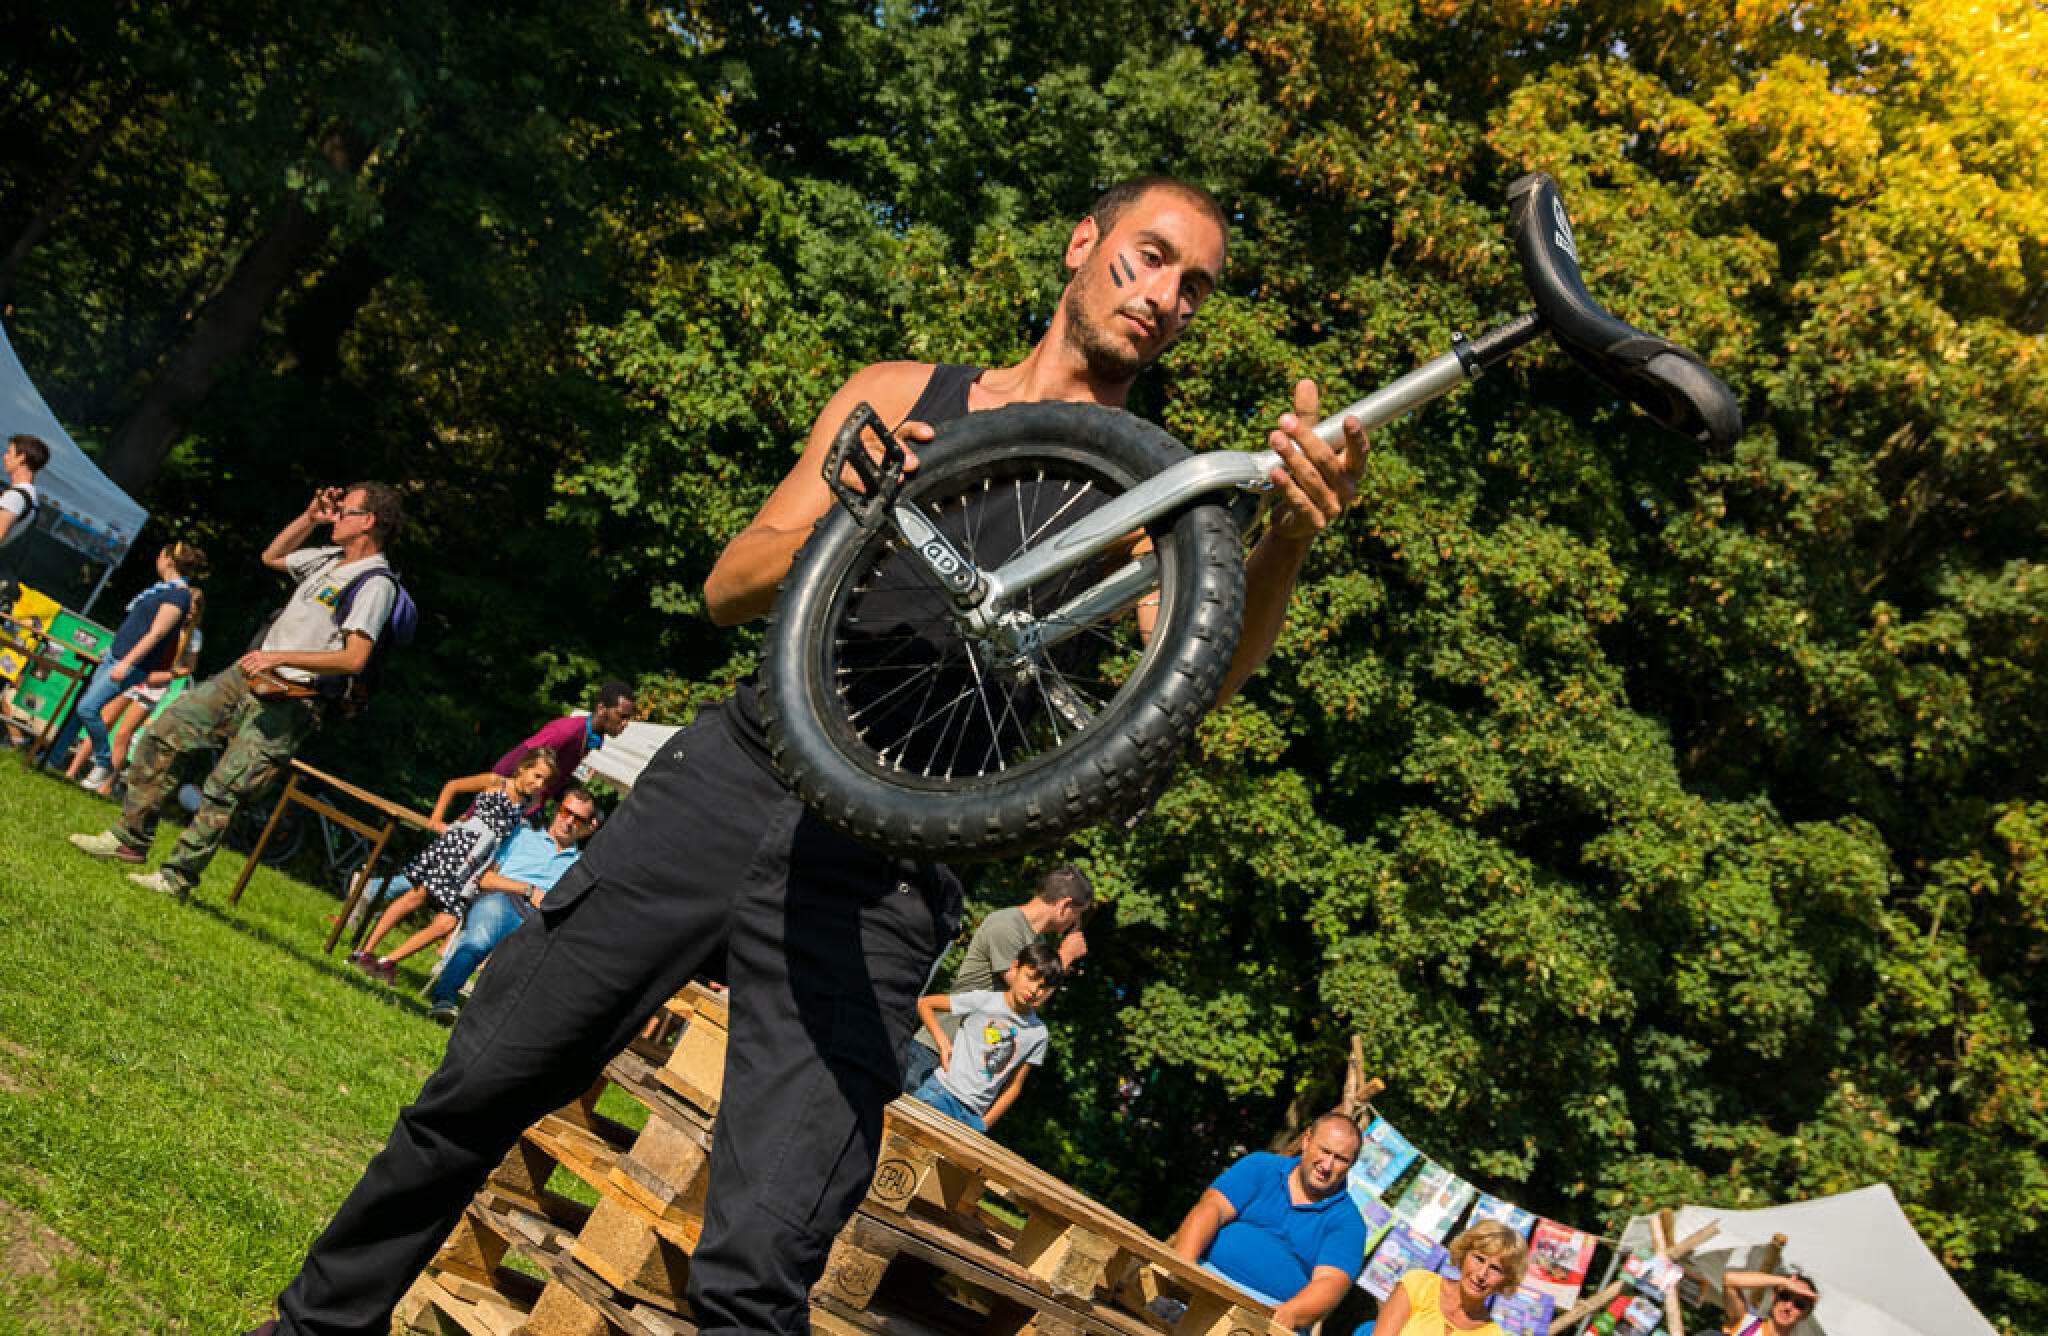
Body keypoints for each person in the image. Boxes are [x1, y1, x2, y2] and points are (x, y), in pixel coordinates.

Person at [245, 175, 1366, 1336]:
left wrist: (1284, 538)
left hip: (890, 864)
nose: (1167, 295)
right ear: (1083, 243)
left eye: (1195, 286)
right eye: (1150, 255)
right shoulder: (900, 395)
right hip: (731, 778)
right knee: (477, 1088)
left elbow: (1192, 679)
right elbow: (727, 584)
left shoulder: (1145, 493)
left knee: (765, 1257)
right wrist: (854, 513)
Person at [68, 482, 404, 902]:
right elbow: (272, 557)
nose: (335, 517)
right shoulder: (328, 558)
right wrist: (308, 518)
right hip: (247, 674)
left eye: (345, 511)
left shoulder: (375, 583)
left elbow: (354, 658)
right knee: (163, 732)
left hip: (292, 698)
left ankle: (176, 877)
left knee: (227, 787)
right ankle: (129, 838)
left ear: (368, 521)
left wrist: (280, 657)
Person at [346, 748, 560, 985]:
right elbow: (453, 786)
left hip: (478, 862)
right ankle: (364, 952)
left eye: (544, 781)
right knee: (417, 897)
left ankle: (387, 961)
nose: (539, 784)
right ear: (522, 768)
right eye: (537, 776)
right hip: (459, 847)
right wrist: (436, 820)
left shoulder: (527, 803)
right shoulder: (495, 782)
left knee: (448, 922)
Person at [902, 864, 1094, 1093]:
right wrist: (1065, 957)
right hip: (936, 1050)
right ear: (1064, 905)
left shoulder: (1037, 944)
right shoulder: (1007, 925)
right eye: (1078, 914)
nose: (1077, 924)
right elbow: (1024, 995)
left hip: (965, 1066)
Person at [1171, 1113, 1368, 1332]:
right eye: (1324, 1151)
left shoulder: (1349, 1223)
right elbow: (1211, 1208)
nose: (1328, 1165)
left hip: (1269, 1313)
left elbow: (1331, 1282)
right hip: (1206, 1278)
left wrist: (1287, 1313)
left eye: (1341, 1159)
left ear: (1351, 1165)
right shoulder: (1260, 1167)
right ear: (1306, 1140)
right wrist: (1184, 1267)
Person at [422, 784, 601, 1024]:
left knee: (544, 961)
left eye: (577, 819)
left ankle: (497, 1022)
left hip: (541, 919)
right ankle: (444, 998)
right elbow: (485, 879)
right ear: (557, 810)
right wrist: (528, 890)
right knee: (480, 939)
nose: (568, 821)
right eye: (565, 812)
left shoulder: (581, 866)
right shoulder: (522, 836)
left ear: (588, 827)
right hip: (502, 898)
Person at [47, 540, 209, 791]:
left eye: (160, 554)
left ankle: (103, 762)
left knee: (88, 709)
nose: (157, 559)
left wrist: (127, 663)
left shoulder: (178, 596)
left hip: (132, 664)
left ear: (168, 559)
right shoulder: (160, 590)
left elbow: (156, 634)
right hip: (115, 655)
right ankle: (52, 759)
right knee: (81, 709)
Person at [910, 941, 1062, 1133]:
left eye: (1043, 987)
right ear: (1015, 967)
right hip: (941, 1094)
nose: (1034, 990)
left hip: (973, 1117)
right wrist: (943, 1042)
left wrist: (984, 1123)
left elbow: (1014, 1086)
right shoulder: (985, 1000)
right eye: (1030, 978)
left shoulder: (1038, 1034)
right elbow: (925, 1004)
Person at [490, 681, 635, 813]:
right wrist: (488, 798)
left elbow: (555, 780)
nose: (626, 723)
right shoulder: (566, 731)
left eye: (628, 718)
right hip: (501, 802)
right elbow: (514, 762)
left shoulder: (591, 738)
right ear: (601, 708)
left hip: (524, 808)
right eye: (621, 716)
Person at [1371, 1219, 1530, 1336]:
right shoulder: (1418, 1285)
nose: (1482, 1274)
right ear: (1463, 1254)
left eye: (1495, 1268)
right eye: (1479, 1259)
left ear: (1506, 1280)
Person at [1720, 1267, 1819, 1335]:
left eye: (1799, 1304)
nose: (1788, 1307)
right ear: (1774, 1296)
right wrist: (1783, 1281)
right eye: (1784, 1296)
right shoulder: (1747, 1324)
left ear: (1806, 1314)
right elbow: (1729, 1280)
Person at [0, 433, 49, 560]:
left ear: (21, 457)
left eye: (9, 452)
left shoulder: (16, 496)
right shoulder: (31, 498)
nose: (4, 457)